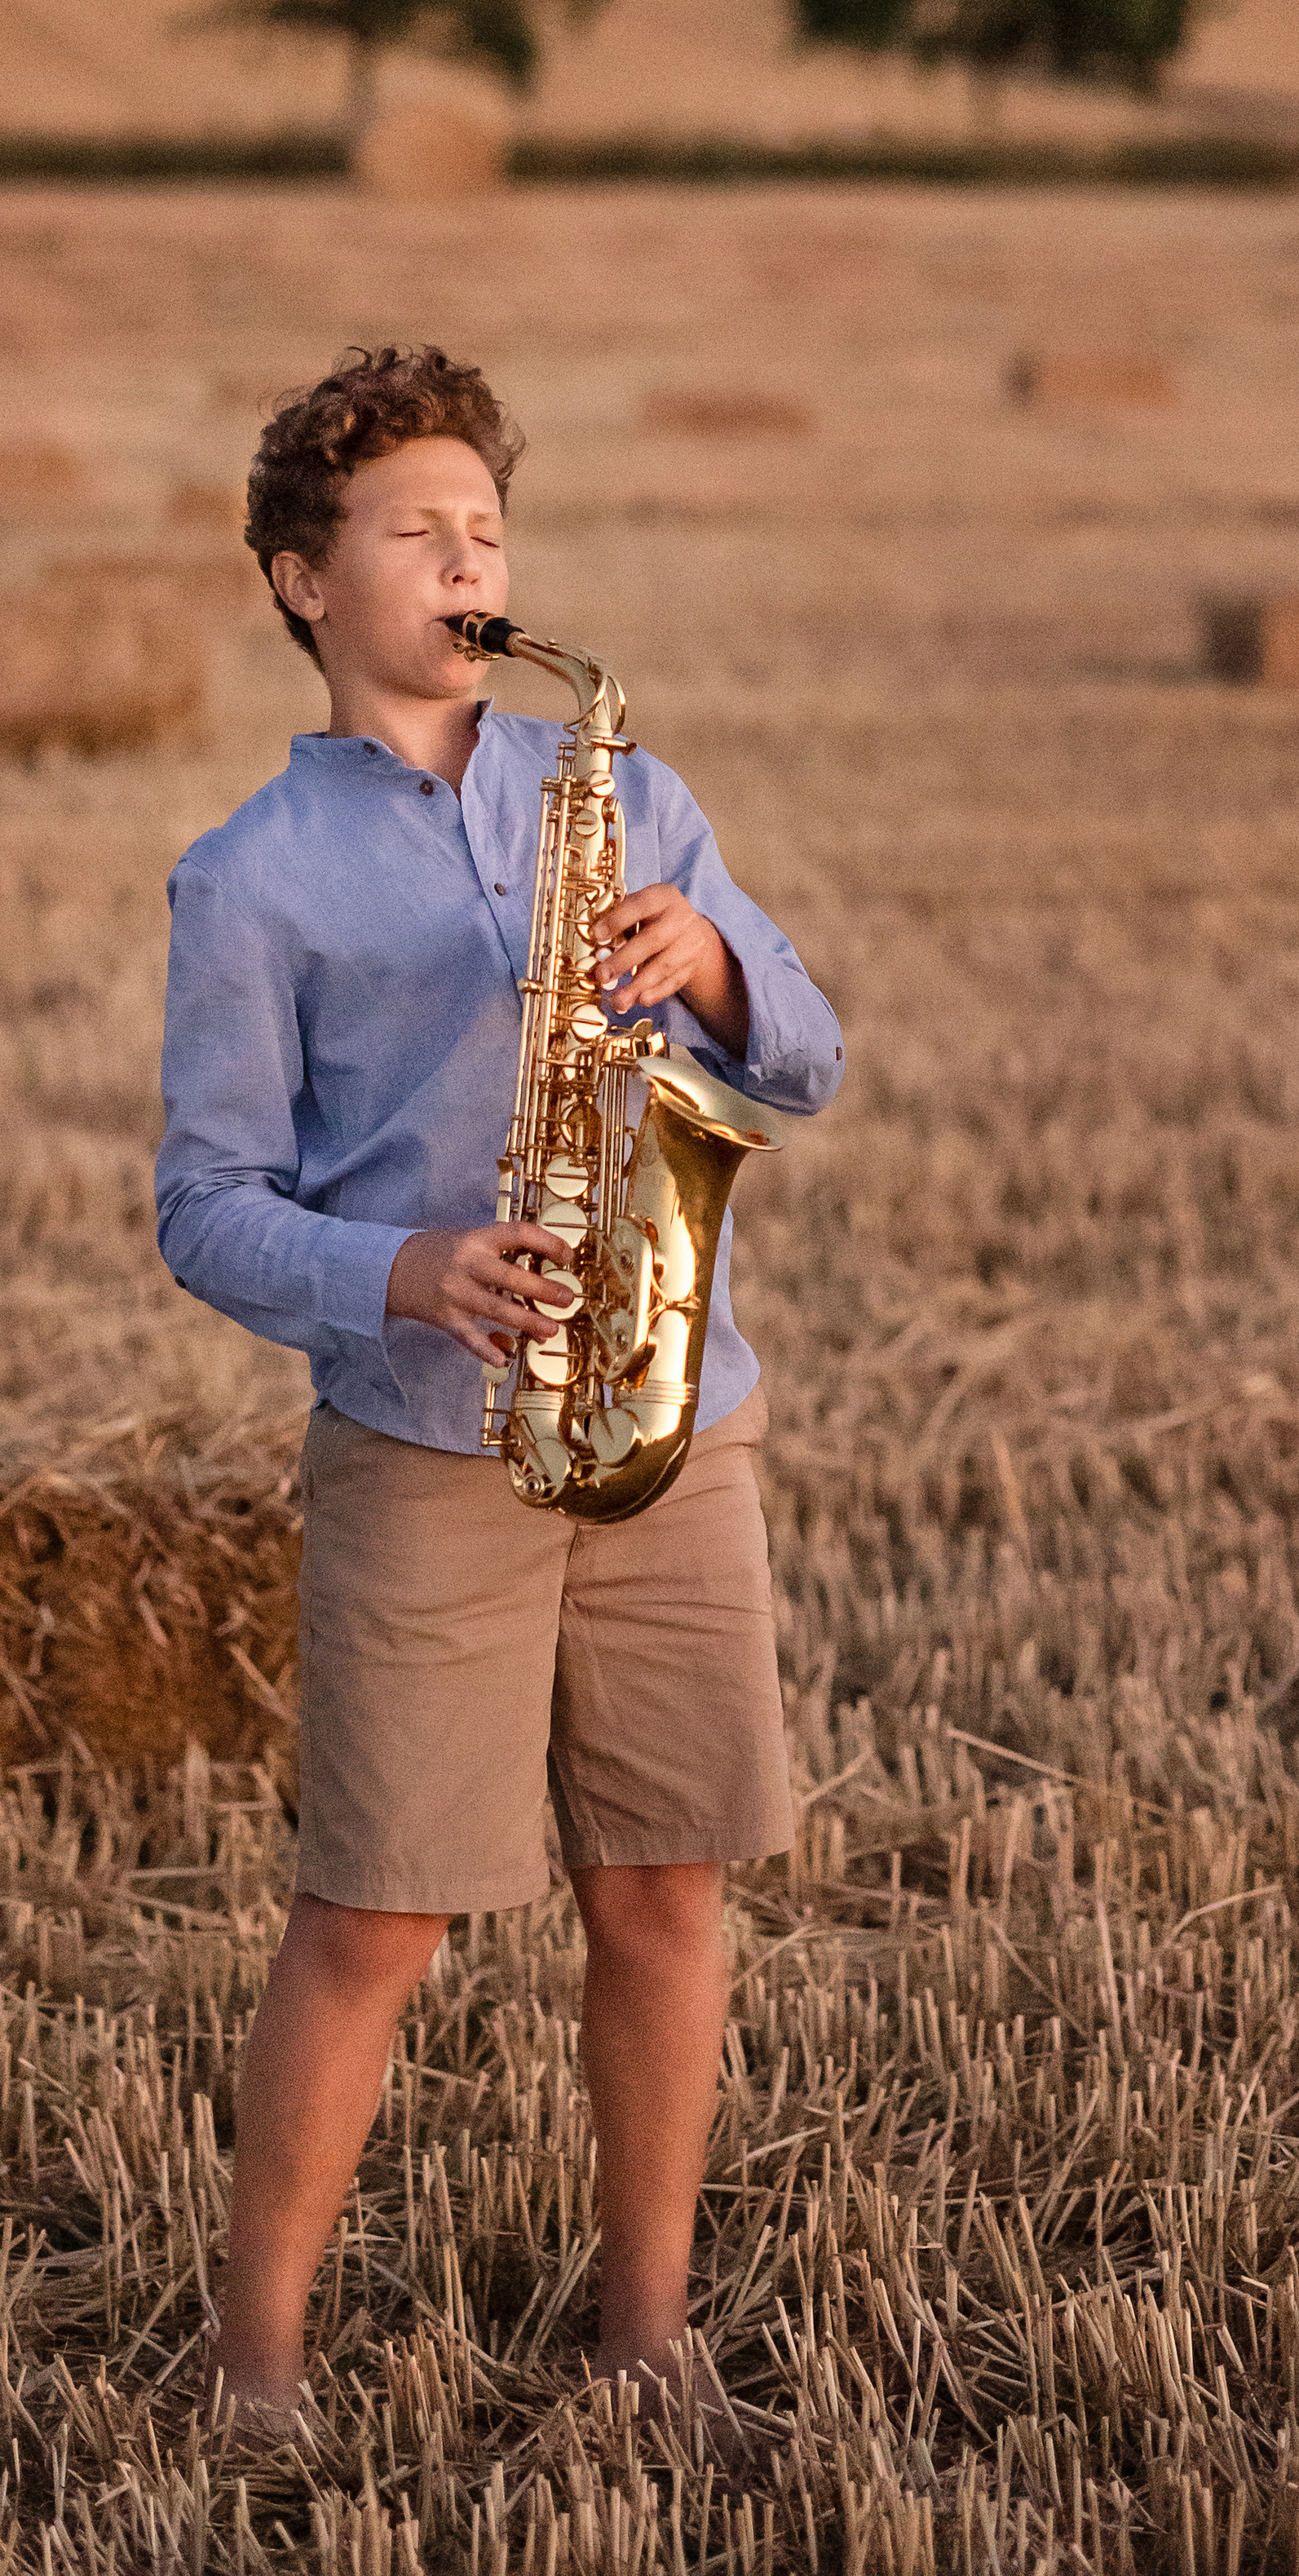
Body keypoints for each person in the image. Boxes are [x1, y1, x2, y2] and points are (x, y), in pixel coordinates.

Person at [154, 343, 844, 2432]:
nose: (469, 558)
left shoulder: (622, 793)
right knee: (373, 1925)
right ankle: (252, 2361)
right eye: (416, 530)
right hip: (424, 1441)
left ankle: (649, 2344)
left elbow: (799, 1057)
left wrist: (713, 966)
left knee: (661, 1893)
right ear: (302, 578)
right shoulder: (249, 874)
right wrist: (404, 1272)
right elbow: (202, 1205)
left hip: (665, 1410)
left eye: (487, 526)